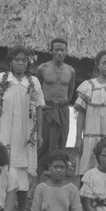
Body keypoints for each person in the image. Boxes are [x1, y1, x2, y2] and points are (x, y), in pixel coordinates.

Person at [0, 45, 45, 211]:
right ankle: (3, 210)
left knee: (22, 172)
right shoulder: (2, 78)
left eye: (24, 60)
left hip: (26, 134)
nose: (20, 63)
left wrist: (39, 133)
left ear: (28, 63)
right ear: (10, 61)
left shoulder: (33, 82)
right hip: (5, 132)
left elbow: (40, 106)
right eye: (17, 60)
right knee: (5, 167)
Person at [17, 150, 86, 211]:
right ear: (49, 167)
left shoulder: (72, 188)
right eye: (55, 167)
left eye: (62, 167)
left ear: (66, 169)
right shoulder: (41, 188)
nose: (58, 170)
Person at [36, 37, 75, 178]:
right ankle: (39, 180)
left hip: (63, 111)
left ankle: (58, 180)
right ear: (51, 51)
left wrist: (60, 105)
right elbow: (37, 92)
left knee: (61, 143)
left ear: (66, 52)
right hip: (47, 110)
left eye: (62, 50)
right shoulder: (42, 69)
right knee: (43, 144)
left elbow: (70, 94)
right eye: (56, 49)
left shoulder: (70, 71)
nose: (59, 53)